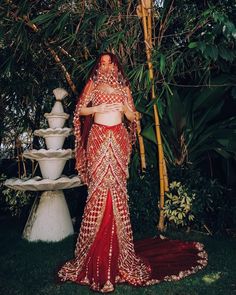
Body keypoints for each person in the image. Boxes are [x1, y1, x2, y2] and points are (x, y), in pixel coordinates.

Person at [57, 52, 207, 293]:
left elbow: (132, 116)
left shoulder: (124, 86)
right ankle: (90, 257)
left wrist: (125, 109)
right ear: (99, 66)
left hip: (117, 139)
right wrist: (99, 106)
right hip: (98, 140)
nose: (106, 66)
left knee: (117, 191)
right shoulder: (93, 84)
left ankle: (118, 255)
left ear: (117, 66)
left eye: (110, 63)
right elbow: (80, 111)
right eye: (103, 63)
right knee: (97, 191)